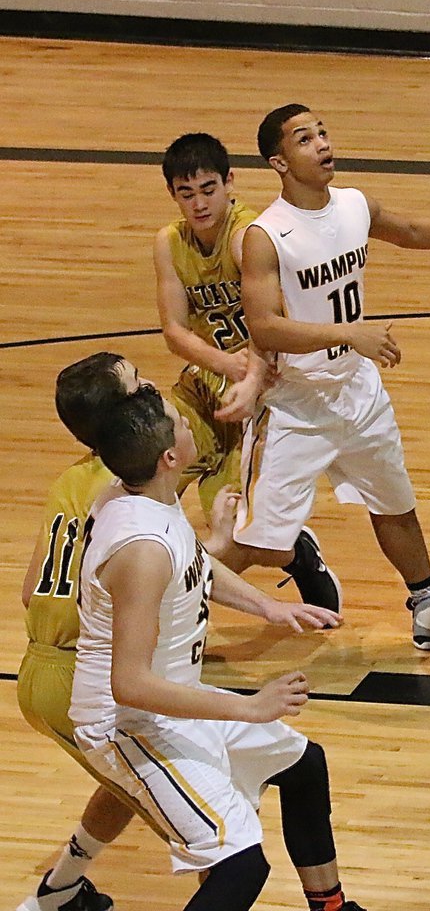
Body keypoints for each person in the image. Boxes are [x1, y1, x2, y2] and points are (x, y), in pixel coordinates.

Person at [230, 103, 430, 649]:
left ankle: (428, 609)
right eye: (304, 139)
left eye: (323, 132)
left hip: (357, 391)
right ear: (278, 162)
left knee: (394, 502)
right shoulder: (267, 235)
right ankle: (164, 594)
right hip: (298, 405)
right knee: (258, 542)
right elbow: (264, 328)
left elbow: (410, 229)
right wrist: (346, 333)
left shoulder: (353, 205)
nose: (322, 144)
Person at [70, 384, 363, 911]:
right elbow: (129, 684)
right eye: (181, 423)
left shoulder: (143, 494)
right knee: (241, 864)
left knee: (302, 765)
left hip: (171, 701)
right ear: (170, 457)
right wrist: (249, 707)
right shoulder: (141, 549)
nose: (191, 424)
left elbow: (193, 567)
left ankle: (331, 907)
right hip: (128, 725)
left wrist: (268, 606)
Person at [155, 131, 341, 613]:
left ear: (230, 182)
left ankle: (293, 551)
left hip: (258, 405)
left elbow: (274, 318)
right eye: (186, 192)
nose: (198, 203)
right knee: (146, 486)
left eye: (208, 189)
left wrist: (251, 373)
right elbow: (175, 330)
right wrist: (222, 363)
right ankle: (156, 601)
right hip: (201, 393)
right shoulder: (169, 242)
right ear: (173, 194)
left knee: (244, 536)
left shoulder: (247, 237)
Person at [16, 353, 153, 911]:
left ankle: (60, 891)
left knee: (128, 785)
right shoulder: (128, 489)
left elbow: (31, 591)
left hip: (38, 669)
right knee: (203, 824)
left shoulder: (69, 479)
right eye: (137, 382)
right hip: (79, 679)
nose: (149, 384)